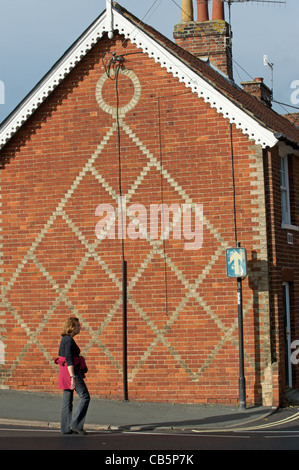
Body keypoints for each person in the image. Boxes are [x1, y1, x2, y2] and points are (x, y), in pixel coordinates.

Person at [58, 317, 90, 435]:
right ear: (72, 327)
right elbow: (69, 358)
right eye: (78, 325)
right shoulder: (68, 340)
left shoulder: (64, 339)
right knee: (85, 396)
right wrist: (73, 377)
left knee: (67, 398)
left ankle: (65, 428)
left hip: (64, 370)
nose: (79, 327)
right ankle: (76, 425)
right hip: (71, 371)